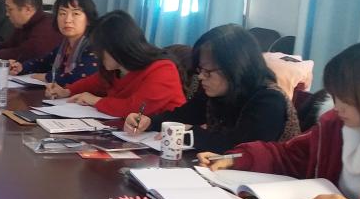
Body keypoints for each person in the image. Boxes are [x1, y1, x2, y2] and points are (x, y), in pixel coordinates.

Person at [200, 41, 360, 199]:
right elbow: (287, 155)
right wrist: (237, 158)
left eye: (346, 100)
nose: (337, 106)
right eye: (335, 96)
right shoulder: (334, 126)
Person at [122, 24, 300, 152]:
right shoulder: (217, 89)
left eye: (208, 71)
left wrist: (190, 133)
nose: (201, 77)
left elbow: (240, 148)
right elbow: (182, 115)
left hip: (265, 185)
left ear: (235, 69)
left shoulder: (269, 100)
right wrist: (149, 122)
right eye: (200, 70)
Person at [52, 10, 185, 118]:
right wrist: (67, 91)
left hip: (163, 137)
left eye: (100, 49)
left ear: (117, 47)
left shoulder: (163, 69)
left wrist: (95, 100)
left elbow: (136, 109)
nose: (97, 55)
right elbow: (93, 82)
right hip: (128, 133)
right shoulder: (115, 69)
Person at [10, 0, 99, 86]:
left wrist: (46, 77)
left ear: (88, 19)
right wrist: (22, 67)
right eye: (62, 13)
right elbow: (42, 63)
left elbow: (80, 77)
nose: (67, 20)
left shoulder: (95, 47)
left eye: (76, 14)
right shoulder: (64, 46)